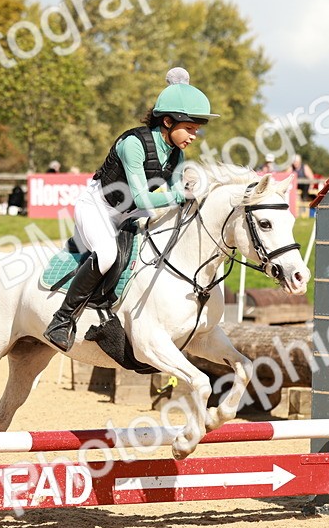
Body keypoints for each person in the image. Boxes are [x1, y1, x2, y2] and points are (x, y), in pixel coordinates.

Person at [42, 67, 216, 351]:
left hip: (130, 214)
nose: (194, 135)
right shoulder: (133, 144)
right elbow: (143, 198)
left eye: (197, 130)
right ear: (168, 121)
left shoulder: (176, 153)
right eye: (190, 129)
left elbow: (176, 193)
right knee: (108, 255)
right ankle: (62, 320)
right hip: (99, 208)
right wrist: (180, 195)